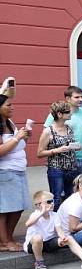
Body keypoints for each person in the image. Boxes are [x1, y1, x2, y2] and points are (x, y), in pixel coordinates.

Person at [0, 79, 31, 251]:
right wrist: (17, 138)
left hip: (18, 170)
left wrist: (24, 137)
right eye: (8, 105)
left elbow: (17, 146)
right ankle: (5, 243)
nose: (12, 108)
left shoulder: (9, 123)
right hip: (5, 172)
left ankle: (8, 238)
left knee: (18, 208)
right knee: (4, 210)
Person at [23, 190, 82, 269]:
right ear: (38, 205)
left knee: (69, 238)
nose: (52, 203)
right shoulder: (35, 214)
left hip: (49, 243)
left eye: (53, 201)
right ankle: (39, 262)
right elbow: (28, 224)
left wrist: (63, 237)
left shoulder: (55, 215)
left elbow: (59, 230)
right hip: (34, 245)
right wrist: (42, 212)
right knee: (38, 238)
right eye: (49, 201)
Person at [37, 100, 79, 210]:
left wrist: (76, 146)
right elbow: (39, 153)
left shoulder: (69, 128)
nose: (71, 113)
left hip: (71, 168)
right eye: (68, 112)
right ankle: (54, 222)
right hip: (56, 169)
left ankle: (66, 221)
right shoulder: (48, 131)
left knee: (70, 198)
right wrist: (57, 150)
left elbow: (70, 144)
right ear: (60, 114)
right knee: (56, 198)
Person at [44, 86, 82, 175]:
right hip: (66, 159)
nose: (81, 99)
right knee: (70, 188)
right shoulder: (58, 113)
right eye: (77, 97)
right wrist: (52, 154)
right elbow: (46, 134)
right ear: (68, 98)